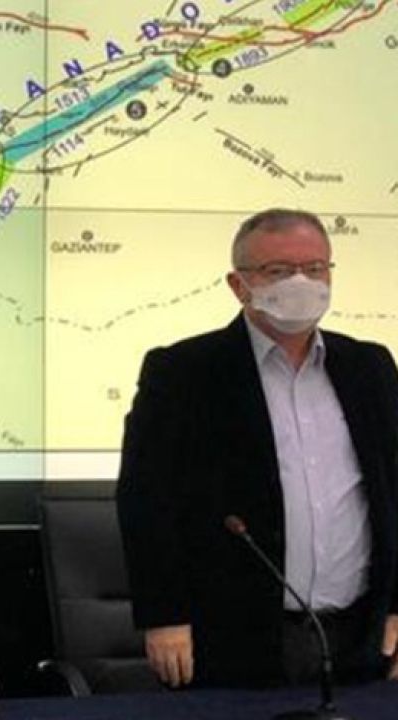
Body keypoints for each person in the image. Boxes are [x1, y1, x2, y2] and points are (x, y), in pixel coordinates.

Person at [117, 208, 398, 688]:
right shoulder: (184, 372)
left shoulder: (368, 367)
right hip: (235, 636)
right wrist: (164, 616)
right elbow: (146, 499)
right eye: (278, 270)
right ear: (238, 284)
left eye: (315, 268)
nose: (301, 282)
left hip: (361, 635)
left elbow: (392, 490)